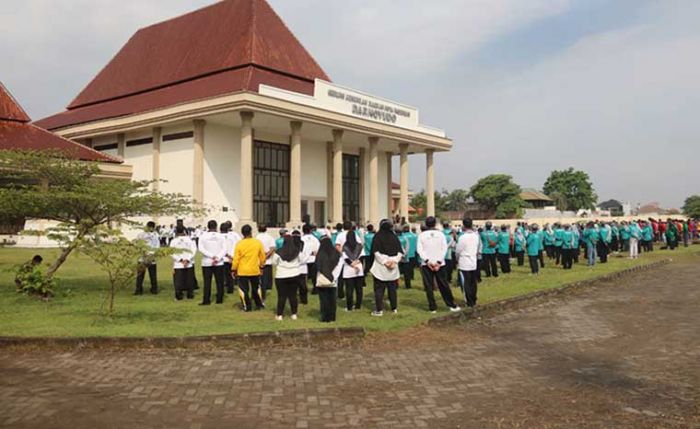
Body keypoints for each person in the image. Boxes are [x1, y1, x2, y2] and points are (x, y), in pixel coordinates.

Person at [417, 216, 461, 314]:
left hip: (426, 264)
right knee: (443, 284)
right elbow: (444, 248)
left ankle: (432, 307)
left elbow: (420, 250)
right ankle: (451, 305)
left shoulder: (422, 235)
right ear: (435, 224)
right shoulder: (440, 234)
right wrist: (438, 262)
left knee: (429, 286)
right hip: (439, 263)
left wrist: (428, 261)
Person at [370, 219, 403, 316]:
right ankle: (394, 308)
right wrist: (394, 261)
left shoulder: (377, 236)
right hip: (393, 266)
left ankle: (379, 310)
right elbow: (400, 252)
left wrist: (385, 262)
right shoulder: (394, 237)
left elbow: (375, 252)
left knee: (379, 289)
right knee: (392, 289)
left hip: (381, 266)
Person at [233, 224, 267, 311]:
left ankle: (246, 307)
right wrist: (262, 266)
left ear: (242, 233)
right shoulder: (257, 242)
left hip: (242, 270)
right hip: (254, 269)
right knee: (256, 288)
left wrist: (233, 269)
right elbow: (262, 256)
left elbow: (236, 258)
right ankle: (259, 305)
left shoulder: (239, 244)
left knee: (243, 289)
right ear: (251, 232)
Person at [271, 235, 302, 320]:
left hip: (281, 275)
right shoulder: (297, 251)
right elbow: (301, 260)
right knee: (293, 295)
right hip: (294, 274)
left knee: (281, 296)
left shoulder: (278, 252)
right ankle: (294, 314)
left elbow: (274, 262)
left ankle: (279, 315)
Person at [315, 236, 344, 322]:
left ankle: (325, 317)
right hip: (333, 280)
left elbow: (317, 266)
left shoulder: (320, 254)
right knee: (332, 299)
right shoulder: (336, 253)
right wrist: (334, 276)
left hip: (322, 279)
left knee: (324, 299)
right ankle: (332, 316)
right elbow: (339, 265)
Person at [198, 220, 227, 305]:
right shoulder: (221, 236)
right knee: (219, 282)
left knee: (207, 282)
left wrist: (211, 256)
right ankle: (219, 299)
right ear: (216, 226)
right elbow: (224, 249)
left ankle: (206, 300)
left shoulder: (203, 236)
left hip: (207, 262)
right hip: (219, 262)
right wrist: (217, 257)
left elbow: (201, 248)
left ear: (208, 226)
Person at [455, 218, 480, 308]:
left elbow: (458, 251)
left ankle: (469, 301)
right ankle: (473, 299)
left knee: (466, 283)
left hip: (464, 262)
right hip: (473, 262)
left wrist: (457, 259)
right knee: (473, 282)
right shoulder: (476, 236)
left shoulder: (462, 237)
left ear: (464, 226)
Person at [341, 227, 365, 311]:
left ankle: (349, 307)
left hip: (348, 269)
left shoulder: (345, 246)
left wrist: (352, 264)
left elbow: (345, 258)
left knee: (349, 289)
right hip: (359, 267)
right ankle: (358, 305)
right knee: (359, 289)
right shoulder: (359, 246)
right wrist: (357, 262)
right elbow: (362, 256)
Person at [134, 221, 160, 295]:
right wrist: (147, 254)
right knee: (141, 275)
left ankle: (153, 289)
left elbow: (157, 247)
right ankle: (139, 290)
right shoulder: (142, 235)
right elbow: (138, 244)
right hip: (144, 257)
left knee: (151, 275)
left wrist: (150, 255)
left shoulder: (155, 235)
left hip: (149, 257)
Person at [170, 226, 196, 300]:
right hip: (188, 263)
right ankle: (190, 294)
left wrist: (181, 260)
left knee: (178, 281)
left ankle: (178, 295)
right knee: (189, 280)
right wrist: (187, 259)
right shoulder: (189, 240)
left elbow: (171, 252)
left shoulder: (173, 241)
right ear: (184, 231)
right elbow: (193, 250)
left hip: (178, 264)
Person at [255, 224, 276, 301]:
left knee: (259, 280)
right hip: (267, 261)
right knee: (265, 281)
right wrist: (266, 256)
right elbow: (272, 248)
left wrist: (262, 257)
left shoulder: (256, 238)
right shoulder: (270, 237)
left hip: (258, 261)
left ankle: (259, 295)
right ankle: (262, 296)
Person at [220, 221, 241, 294]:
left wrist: (225, 255)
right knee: (230, 274)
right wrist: (232, 256)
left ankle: (223, 287)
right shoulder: (232, 236)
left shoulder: (219, 237)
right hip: (231, 258)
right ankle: (230, 288)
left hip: (222, 258)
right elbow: (236, 246)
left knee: (222, 275)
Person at [301, 224, 320, 294]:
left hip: (304, 260)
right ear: (311, 230)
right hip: (313, 259)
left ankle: (303, 290)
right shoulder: (315, 239)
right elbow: (318, 250)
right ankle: (315, 289)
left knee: (303, 277)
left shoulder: (301, 239)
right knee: (314, 276)